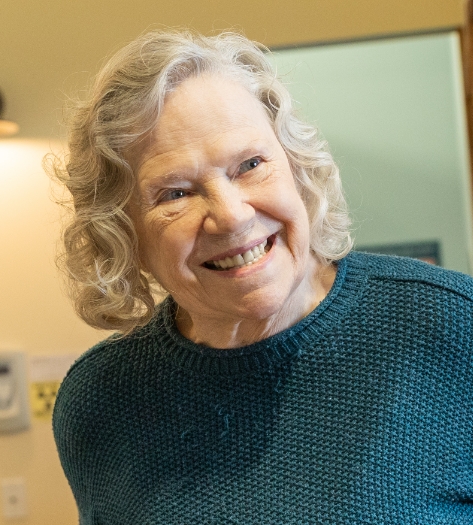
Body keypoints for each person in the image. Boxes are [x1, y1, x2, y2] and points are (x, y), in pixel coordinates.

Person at [51, 29, 473, 524]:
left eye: (250, 165)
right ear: (123, 234)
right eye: (175, 193)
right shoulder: (99, 399)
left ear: (297, 168)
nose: (231, 217)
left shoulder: (450, 327)